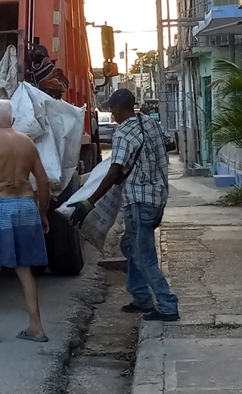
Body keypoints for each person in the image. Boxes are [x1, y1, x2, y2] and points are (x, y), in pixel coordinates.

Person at [69, 88, 179, 322]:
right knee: (129, 245)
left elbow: (114, 171)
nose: (112, 112)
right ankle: (141, 297)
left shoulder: (123, 133)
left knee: (143, 255)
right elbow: (170, 144)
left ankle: (167, 304)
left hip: (139, 202)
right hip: (158, 198)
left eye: (112, 109)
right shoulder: (151, 123)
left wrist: (89, 203)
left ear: (119, 109)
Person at [0, 99, 50, 344]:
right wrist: (43, 213)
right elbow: (44, 181)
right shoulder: (27, 142)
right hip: (26, 206)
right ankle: (36, 327)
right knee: (24, 268)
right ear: (13, 120)